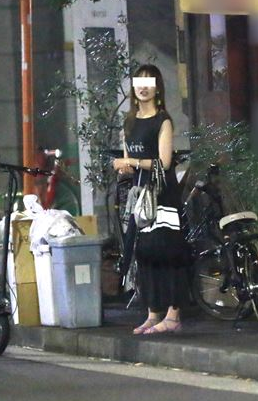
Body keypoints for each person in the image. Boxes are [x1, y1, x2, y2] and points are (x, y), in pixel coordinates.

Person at [113, 64, 188, 335]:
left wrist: (131, 161)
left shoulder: (163, 120)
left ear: (158, 88)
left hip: (163, 194)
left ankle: (173, 315)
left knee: (167, 251)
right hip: (141, 195)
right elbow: (130, 163)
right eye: (139, 82)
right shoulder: (129, 122)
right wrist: (124, 167)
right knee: (145, 252)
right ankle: (153, 313)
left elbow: (164, 163)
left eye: (149, 82)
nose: (143, 87)